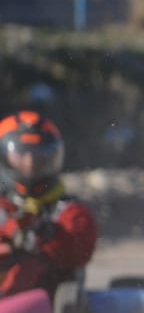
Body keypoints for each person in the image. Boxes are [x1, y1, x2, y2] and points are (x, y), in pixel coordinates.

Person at [0, 111, 98, 298]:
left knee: (28, 268)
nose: (30, 163)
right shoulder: (4, 207)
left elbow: (79, 251)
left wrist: (44, 234)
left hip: (46, 298)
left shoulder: (68, 211)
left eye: (37, 155)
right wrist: (12, 231)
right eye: (21, 154)